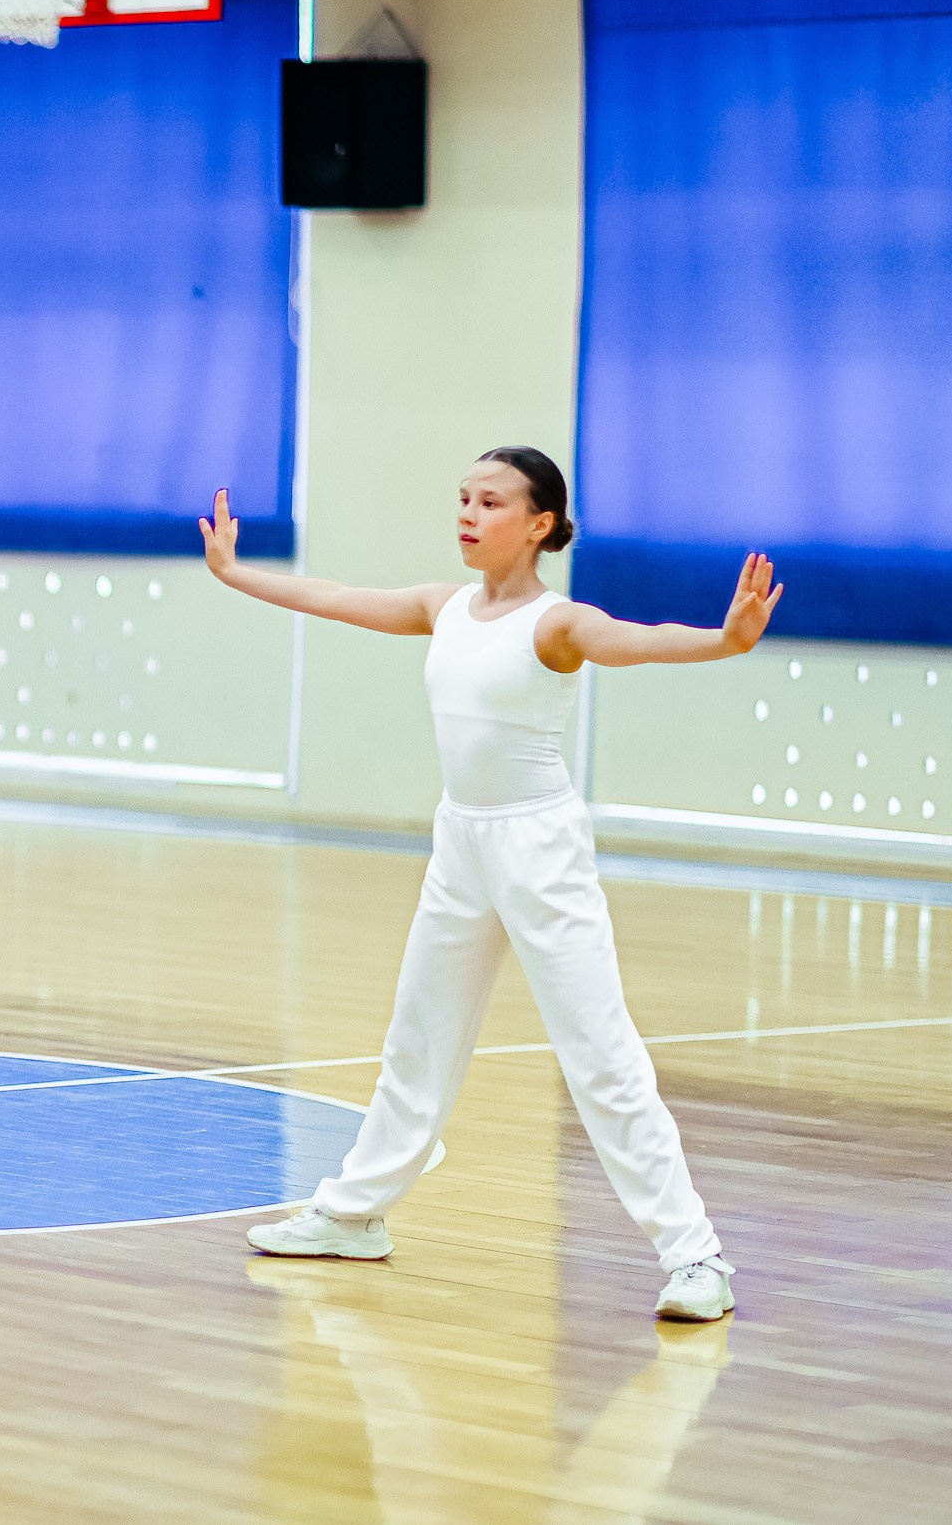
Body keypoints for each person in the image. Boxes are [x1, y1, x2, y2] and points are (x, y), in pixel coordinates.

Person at [204, 449, 780, 1323]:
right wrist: (235, 572)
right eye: (464, 499)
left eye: (491, 502)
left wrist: (725, 640)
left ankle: (696, 1256)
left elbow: (639, 641)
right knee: (419, 1035)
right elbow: (336, 596)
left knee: (600, 1054)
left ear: (540, 523)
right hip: (462, 841)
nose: (469, 514)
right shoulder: (444, 607)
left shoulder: (558, 623)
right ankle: (354, 1215)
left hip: (539, 846)